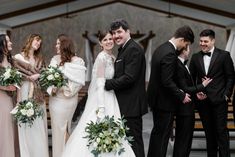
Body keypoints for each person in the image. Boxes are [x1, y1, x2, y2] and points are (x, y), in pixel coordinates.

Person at [62, 31, 135, 157]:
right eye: (105, 40)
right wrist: (101, 107)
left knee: (114, 130)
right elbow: (100, 84)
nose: (108, 42)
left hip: (112, 97)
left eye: (110, 39)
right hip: (102, 98)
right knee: (99, 130)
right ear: (100, 43)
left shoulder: (112, 57)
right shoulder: (101, 58)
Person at [147, 26, 194, 157]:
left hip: (156, 99)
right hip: (164, 102)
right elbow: (167, 81)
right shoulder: (170, 53)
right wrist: (181, 95)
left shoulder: (161, 48)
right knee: (162, 137)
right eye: (186, 44)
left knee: (157, 133)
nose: (184, 47)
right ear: (182, 39)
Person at [104, 19, 148, 157]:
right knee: (128, 143)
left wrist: (106, 84)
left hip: (131, 106)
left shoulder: (133, 49)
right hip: (125, 104)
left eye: (119, 32)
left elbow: (129, 78)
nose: (116, 36)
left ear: (128, 32)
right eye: (114, 33)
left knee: (134, 142)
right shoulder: (124, 49)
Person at [189, 29, 235, 157]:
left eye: (206, 41)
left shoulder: (224, 56)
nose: (202, 43)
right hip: (203, 102)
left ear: (213, 41)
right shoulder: (195, 57)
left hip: (220, 101)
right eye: (201, 41)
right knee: (209, 134)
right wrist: (196, 92)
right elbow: (191, 79)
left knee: (221, 132)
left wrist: (226, 94)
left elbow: (231, 77)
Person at [48, 34, 86, 157]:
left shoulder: (78, 61)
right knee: (57, 129)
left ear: (65, 45)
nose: (56, 46)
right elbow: (49, 79)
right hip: (55, 100)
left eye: (58, 43)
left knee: (65, 128)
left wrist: (64, 86)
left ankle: (69, 153)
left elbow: (78, 83)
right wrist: (53, 86)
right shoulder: (54, 59)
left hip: (69, 100)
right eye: (56, 43)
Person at [14, 34, 49, 157]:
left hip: (37, 94)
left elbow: (45, 77)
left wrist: (38, 76)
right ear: (30, 40)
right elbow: (16, 80)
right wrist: (18, 100)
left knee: (38, 123)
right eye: (37, 40)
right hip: (24, 91)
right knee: (25, 123)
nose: (38, 43)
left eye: (40, 42)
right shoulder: (18, 57)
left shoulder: (39, 59)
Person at [174, 46, 212, 157]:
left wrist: (196, 94)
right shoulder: (178, 65)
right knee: (183, 141)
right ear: (184, 51)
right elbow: (185, 89)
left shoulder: (183, 64)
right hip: (184, 110)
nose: (190, 50)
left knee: (186, 140)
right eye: (188, 48)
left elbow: (188, 87)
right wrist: (202, 86)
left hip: (188, 107)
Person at [0, 34, 16, 157]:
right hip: (1, 99)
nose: (10, 43)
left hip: (10, 99)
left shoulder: (11, 61)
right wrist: (6, 86)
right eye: (8, 41)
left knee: (9, 130)